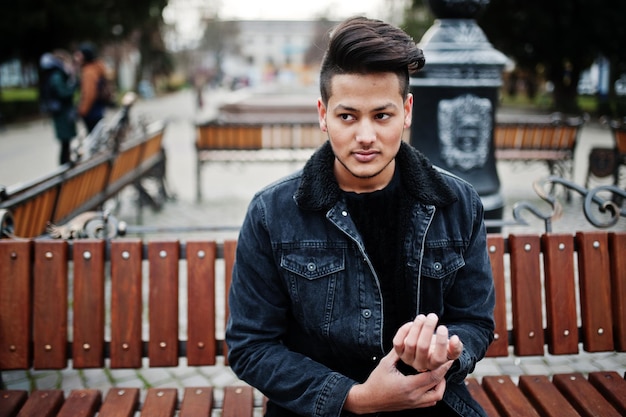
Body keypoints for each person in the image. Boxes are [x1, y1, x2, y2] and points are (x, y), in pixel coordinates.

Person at [225, 16, 495, 417]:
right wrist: (354, 398)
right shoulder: (272, 212)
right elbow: (251, 346)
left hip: (430, 401)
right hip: (316, 409)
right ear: (323, 114)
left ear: (406, 111)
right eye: (347, 116)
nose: (365, 135)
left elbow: (474, 321)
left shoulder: (458, 203)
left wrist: (446, 352)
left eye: (381, 116)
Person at [39, 50, 78, 165]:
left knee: (66, 142)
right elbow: (63, 93)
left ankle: (66, 163)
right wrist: (73, 87)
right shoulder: (57, 75)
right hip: (62, 113)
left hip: (63, 112)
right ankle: (64, 166)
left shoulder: (59, 74)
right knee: (65, 142)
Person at [75, 43, 107, 133]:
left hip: (91, 112)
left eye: (79, 54)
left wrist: (82, 110)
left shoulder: (89, 72)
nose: (76, 57)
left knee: (94, 140)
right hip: (98, 110)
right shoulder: (96, 68)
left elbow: (90, 94)